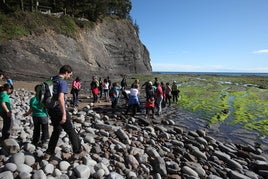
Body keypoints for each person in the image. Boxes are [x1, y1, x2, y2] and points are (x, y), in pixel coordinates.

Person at [45, 65, 85, 160]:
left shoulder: (51, 79)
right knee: (71, 130)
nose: (69, 77)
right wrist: (64, 114)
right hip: (59, 109)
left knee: (57, 130)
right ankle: (78, 151)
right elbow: (60, 98)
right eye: (69, 75)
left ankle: (49, 152)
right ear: (66, 72)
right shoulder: (62, 82)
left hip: (51, 109)